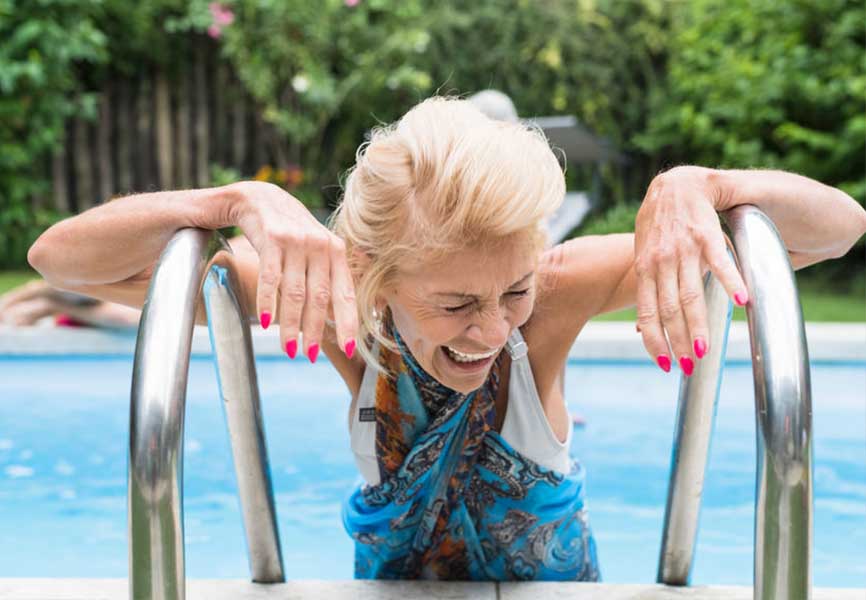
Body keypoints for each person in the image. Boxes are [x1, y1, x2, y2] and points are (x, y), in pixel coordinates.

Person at [27, 97, 866, 580]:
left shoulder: (559, 292)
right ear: (375, 277)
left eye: (514, 289)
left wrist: (703, 186)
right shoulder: (340, 304)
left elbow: (837, 230)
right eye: (457, 302)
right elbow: (62, 261)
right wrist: (229, 203)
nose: (497, 328)